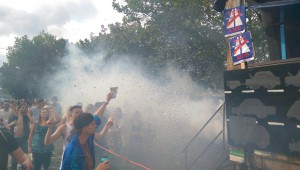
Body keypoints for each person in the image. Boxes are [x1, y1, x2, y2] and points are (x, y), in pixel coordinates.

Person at [44, 93, 112, 150]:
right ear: (70, 114)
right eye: (76, 113)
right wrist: (49, 129)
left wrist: (106, 101)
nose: (79, 114)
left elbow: (98, 136)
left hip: (84, 161)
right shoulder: (64, 127)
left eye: (81, 112)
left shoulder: (86, 125)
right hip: (69, 162)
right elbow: (48, 142)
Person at [7, 104, 35, 170]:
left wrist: (28, 114)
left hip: (23, 139)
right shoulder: (13, 117)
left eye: (25, 107)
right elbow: (7, 127)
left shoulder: (26, 117)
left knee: (24, 156)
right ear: (18, 109)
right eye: (23, 107)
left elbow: (33, 122)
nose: (24, 108)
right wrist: (12, 124)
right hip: (15, 139)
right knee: (14, 158)